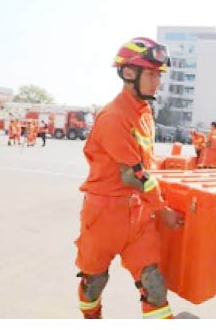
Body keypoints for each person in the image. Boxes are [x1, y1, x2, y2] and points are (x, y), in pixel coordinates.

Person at [74, 36, 183, 319]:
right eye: (150, 74)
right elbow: (133, 174)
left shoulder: (145, 113)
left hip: (137, 216)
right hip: (103, 216)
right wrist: (162, 209)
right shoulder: (112, 116)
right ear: (128, 73)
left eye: (158, 74)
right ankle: (92, 318)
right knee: (93, 282)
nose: (157, 81)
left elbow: (145, 163)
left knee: (155, 286)